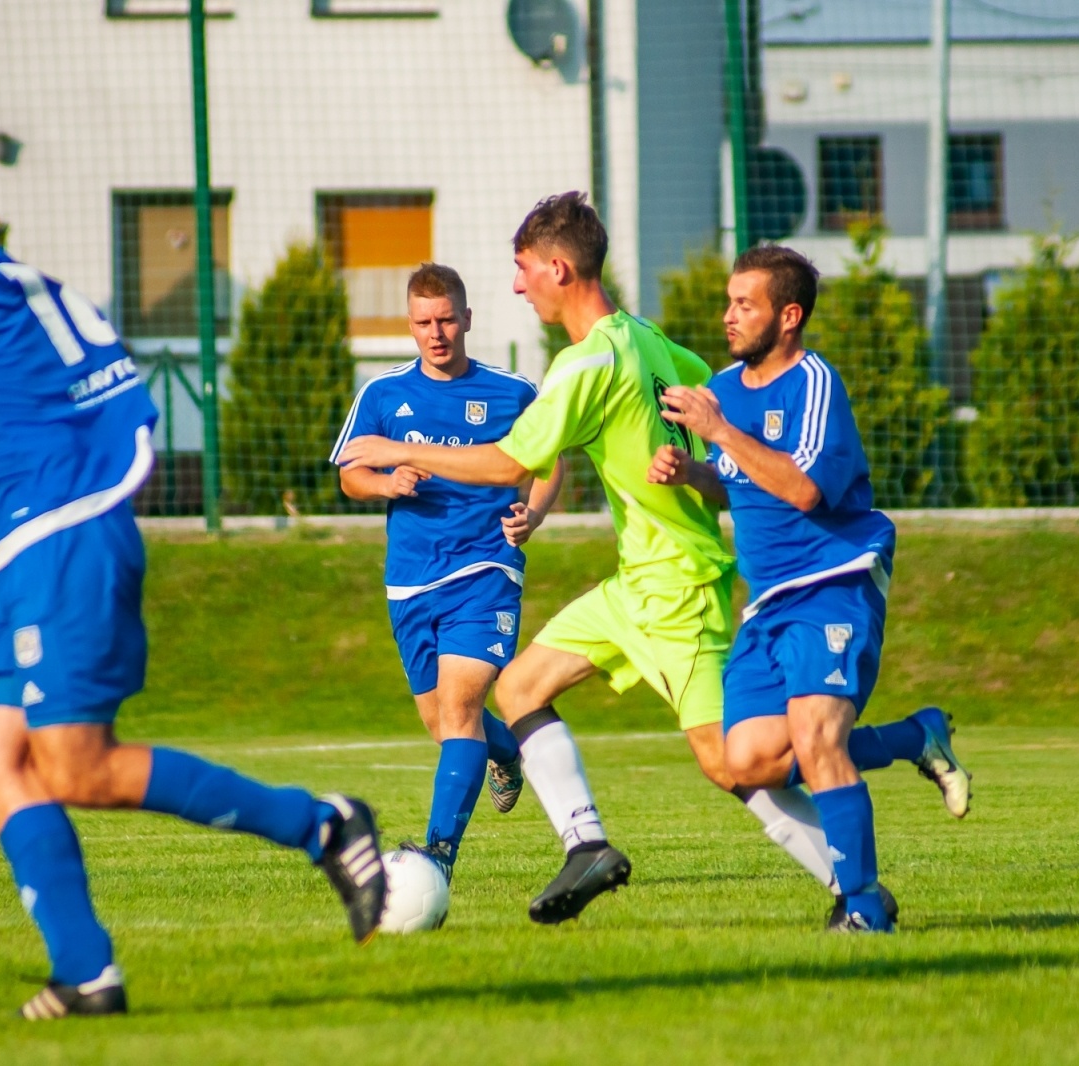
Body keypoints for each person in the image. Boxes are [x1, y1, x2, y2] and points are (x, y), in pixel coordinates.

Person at [0, 135, 386, 1018]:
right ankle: (86, 974)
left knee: (75, 766)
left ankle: (321, 824)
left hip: (57, 532)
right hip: (32, 542)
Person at [337, 193, 845, 923]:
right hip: (634, 583)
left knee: (731, 763)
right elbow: (710, 386)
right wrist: (699, 454)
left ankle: (853, 880)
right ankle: (587, 846)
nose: (516, 286)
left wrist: (397, 448)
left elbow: (512, 460)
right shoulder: (641, 337)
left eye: (522, 270)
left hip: (678, 584)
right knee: (517, 691)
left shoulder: (589, 363)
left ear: (558, 267)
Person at [648, 244, 972, 932]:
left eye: (746, 304)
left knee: (818, 738)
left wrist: (717, 432)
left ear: (788, 316)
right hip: (767, 603)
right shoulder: (726, 391)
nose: (728, 316)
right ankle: (917, 737)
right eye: (729, 301)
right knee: (748, 761)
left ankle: (863, 910)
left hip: (834, 580)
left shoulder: (815, 382)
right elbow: (739, 479)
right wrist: (692, 474)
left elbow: (799, 488)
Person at [329, 262, 562, 882]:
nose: (436, 333)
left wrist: (532, 515)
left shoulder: (511, 392)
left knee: (461, 708)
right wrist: (386, 483)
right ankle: (505, 753)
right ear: (410, 325)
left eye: (446, 320)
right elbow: (350, 474)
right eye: (423, 323)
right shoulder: (380, 395)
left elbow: (549, 462)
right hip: (410, 579)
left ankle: (436, 859)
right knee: (443, 723)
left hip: (487, 568)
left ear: (467, 320)